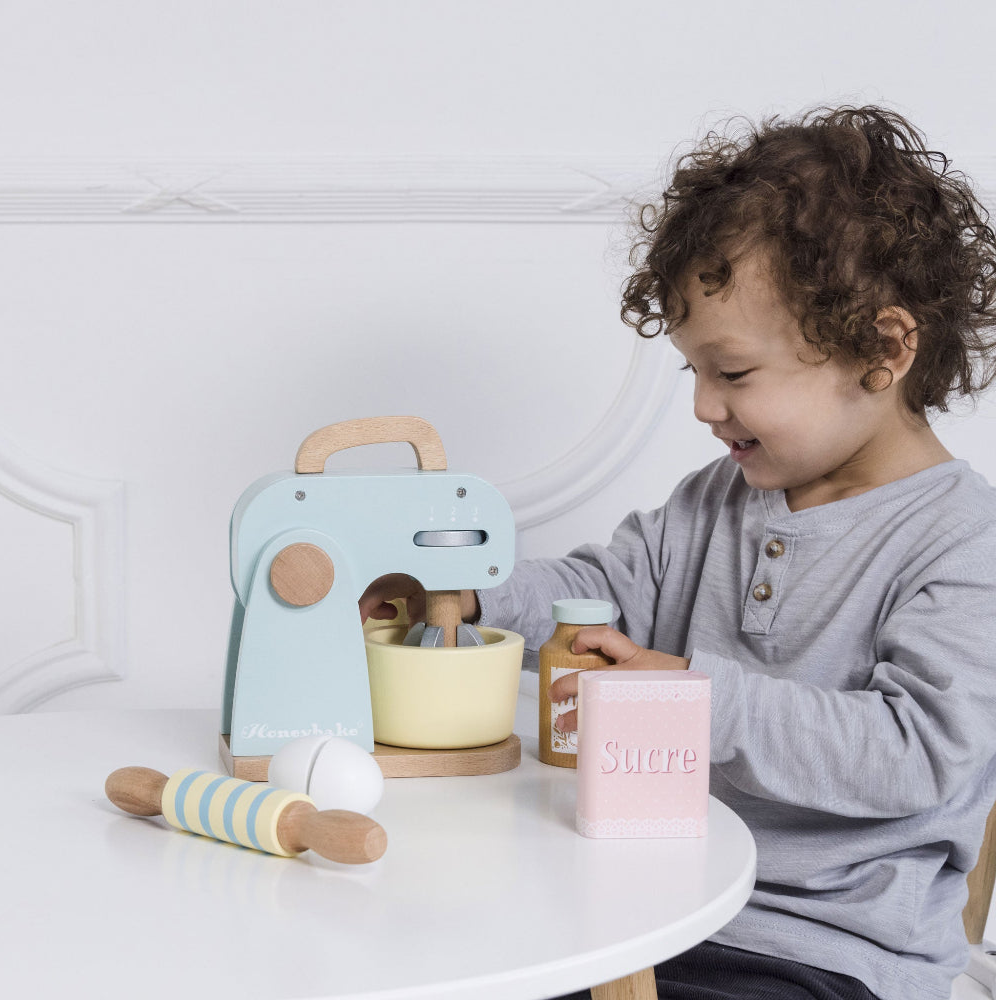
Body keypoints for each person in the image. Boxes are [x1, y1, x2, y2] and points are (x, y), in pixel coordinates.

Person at [359, 106, 996, 1000]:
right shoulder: (720, 500)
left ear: (883, 349)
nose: (703, 406)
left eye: (731, 374)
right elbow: (601, 595)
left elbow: (916, 754)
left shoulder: (963, 542)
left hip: (819, 952)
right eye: (694, 372)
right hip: (646, 905)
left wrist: (686, 703)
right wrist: (471, 596)